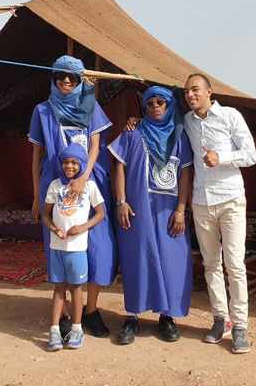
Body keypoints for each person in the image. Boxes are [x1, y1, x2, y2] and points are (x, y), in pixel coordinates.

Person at [29, 55, 118, 339]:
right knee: (61, 246)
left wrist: (82, 178)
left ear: (80, 80)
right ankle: (66, 314)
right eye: (60, 75)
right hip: (54, 188)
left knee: (99, 247)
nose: (66, 81)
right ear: (53, 77)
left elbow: (95, 146)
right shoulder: (42, 111)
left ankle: (91, 310)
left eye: (73, 77)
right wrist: (35, 196)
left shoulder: (90, 107)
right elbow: (35, 157)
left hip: (90, 185)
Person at [108, 86, 193, 345]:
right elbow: (119, 166)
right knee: (138, 260)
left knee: (172, 261)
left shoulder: (179, 136)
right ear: (144, 106)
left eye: (161, 102)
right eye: (151, 103)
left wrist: (181, 210)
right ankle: (132, 316)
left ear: (169, 106)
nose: (156, 106)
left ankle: (167, 317)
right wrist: (121, 201)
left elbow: (186, 174)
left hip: (169, 212)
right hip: (138, 210)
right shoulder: (133, 133)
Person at [183, 73, 256, 354]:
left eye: (195, 90)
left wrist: (220, 157)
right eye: (186, 92)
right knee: (211, 264)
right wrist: (134, 122)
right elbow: (162, 125)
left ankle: (239, 326)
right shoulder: (187, 122)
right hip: (201, 202)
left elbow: (251, 155)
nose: (190, 95)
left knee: (235, 265)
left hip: (230, 199)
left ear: (209, 92)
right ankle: (220, 320)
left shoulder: (230, 116)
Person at [41, 144, 106, 351]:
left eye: (74, 162)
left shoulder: (90, 186)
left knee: (77, 288)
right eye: (66, 162)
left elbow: (100, 213)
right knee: (59, 288)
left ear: (82, 165)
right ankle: (54, 331)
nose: (69, 166)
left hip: (77, 247)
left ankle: (77, 328)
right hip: (56, 247)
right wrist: (53, 229)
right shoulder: (54, 186)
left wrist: (82, 227)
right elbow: (45, 215)